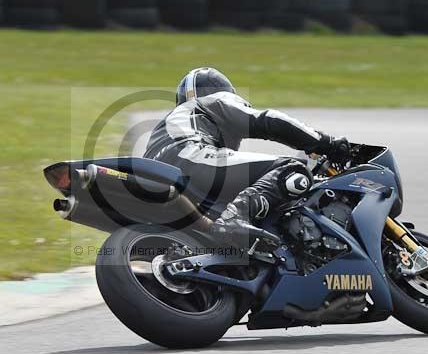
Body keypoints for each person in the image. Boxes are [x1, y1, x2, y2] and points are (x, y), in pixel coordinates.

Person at [143, 67, 351, 251]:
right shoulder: (213, 101)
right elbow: (269, 121)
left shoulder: (166, 127)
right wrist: (326, 142)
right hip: (192, 158)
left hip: (159, 182)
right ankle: (236, 219)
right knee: (292, 170)